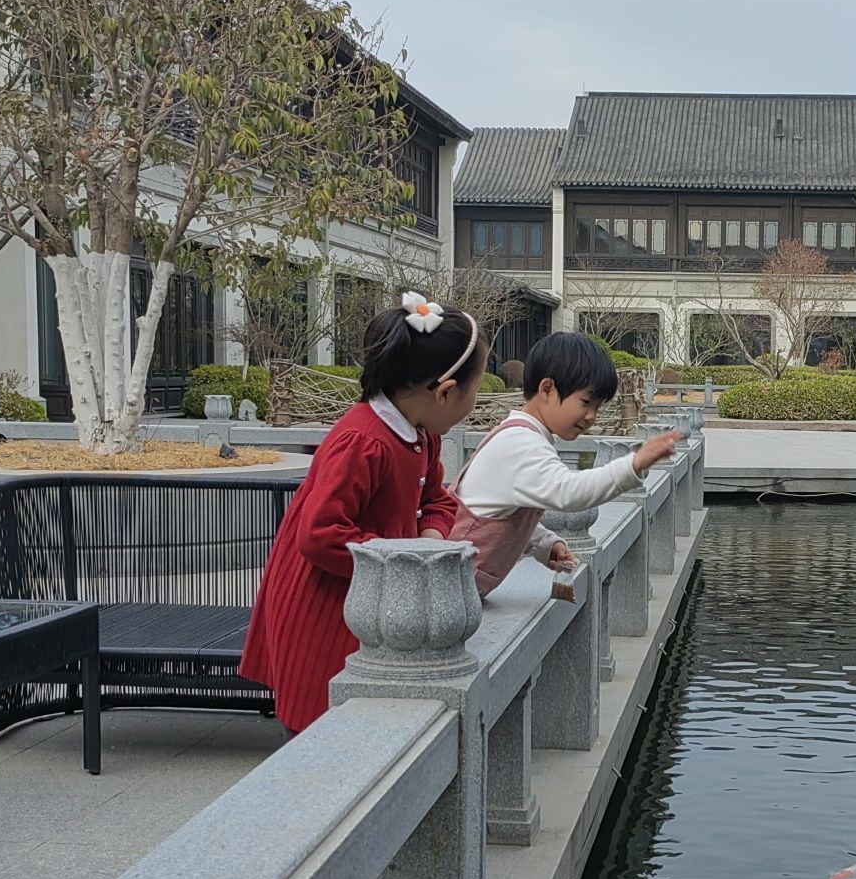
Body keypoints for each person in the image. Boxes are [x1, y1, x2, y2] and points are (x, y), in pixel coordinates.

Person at [240, 294, 487, 733]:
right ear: (447, 392)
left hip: (371, 596)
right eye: (477, 389)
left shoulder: (419, 434)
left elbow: (438, 499)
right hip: (326, 605)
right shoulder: (364, 441)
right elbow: (319, 533)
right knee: (324, 723)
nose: (475, 401)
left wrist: (429, 537)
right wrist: (400, 557)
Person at [451, 331, 681, 597]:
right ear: (547, 389)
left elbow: (502, 513)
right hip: (449, 592)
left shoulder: (521, 435)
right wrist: (633, 465)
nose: (591, 416)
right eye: (585, 402)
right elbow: (568, 492)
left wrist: (543, 543)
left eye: (598, 407)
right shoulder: (520, 444)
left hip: (460, 590)